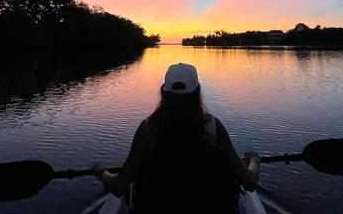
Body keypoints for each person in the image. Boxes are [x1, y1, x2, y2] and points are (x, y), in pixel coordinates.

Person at [92, 63, 260, 214]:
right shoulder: (214, 127)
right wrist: (254, 161)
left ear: (164, 92)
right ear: (197, 91)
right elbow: (249, 182)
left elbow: (119, 186)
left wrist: (101, 172)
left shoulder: (148, 128)